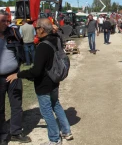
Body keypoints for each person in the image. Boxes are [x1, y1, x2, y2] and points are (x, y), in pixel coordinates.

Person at [7, 18, 73, 145]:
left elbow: (36, 71)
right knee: (56, 104)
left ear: (42, 29)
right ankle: (66, 131)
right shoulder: (56, 39)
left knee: (46, 111)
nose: (35, 30)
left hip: (44, 83)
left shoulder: (43, 46)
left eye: (37, 28)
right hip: (54, 80)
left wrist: (18, 74)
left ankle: (54, 139)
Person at [0, 10, 31, 145]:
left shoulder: (12, 33)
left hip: (14, 75)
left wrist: (18, 69)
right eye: (3, 21)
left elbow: (21, 48)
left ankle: (16, 132)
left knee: (16, 105)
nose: (7, 23)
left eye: (8, 21)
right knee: (0, 108)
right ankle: (2, 135)